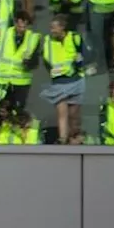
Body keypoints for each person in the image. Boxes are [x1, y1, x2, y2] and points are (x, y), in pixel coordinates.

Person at [40, 14, 89, 144]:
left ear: (62, 27)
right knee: (62, 114)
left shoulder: (74, 38)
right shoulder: (47, 41)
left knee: (73, 116)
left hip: (76, 81)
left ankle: (73, 139)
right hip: (58, 82)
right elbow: (46, 61)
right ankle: (62, 140)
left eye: (54, 28)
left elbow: (86, 55)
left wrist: (80, 61)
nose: (52, 31)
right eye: (51, 28)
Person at [0, 10, 41, 108]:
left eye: (25, 26)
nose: (22, 29)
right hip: (2, 79)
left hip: (21, 81)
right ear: (15, 22)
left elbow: (36, 62)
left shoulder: (33, 38)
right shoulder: (4, 34)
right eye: (20, 26)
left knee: (18, 109)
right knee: (1, 108)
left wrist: (28, 62)